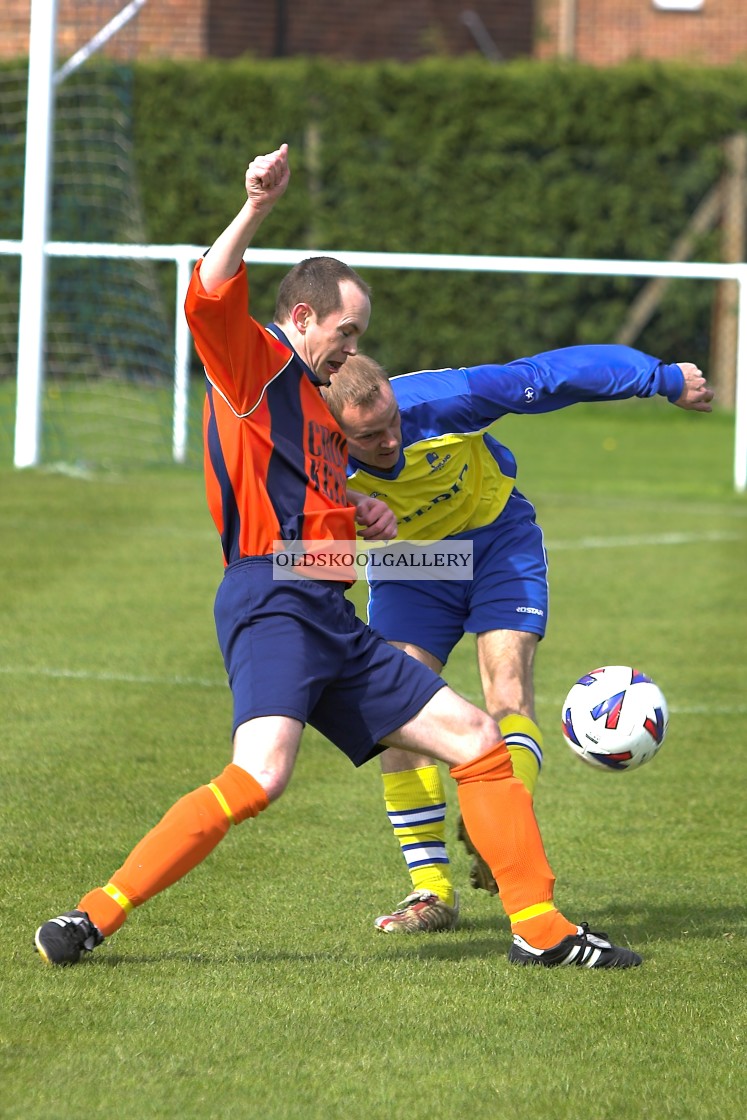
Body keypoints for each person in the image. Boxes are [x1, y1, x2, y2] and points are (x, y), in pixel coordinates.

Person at [34, 142, 644, 971]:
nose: (351, 346)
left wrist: (349, 511)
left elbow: (305, 491)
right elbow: (207, 294)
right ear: (305, 318)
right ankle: (91, 917)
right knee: (261, 776)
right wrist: (255, 207)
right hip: (273, 599)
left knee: (475, 738)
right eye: (345, 329)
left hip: (329, 611)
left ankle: (539, 929)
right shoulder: (257, 366)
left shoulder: (321, 413)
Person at [322, 347, 713, 933]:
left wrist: (660, 379)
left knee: (506, 686)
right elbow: (278, 543)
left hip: (498, 540)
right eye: (370, 436)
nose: (389, 442)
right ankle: (430, 893)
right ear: (335, 431)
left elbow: (548, 376)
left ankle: (497, 832)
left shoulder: (442, 400)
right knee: (397, 712)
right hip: (413, 565)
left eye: (393, 424)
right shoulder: (312, 455)